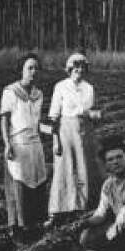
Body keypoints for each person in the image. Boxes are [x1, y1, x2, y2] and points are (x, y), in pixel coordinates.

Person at [48, 52, 101, 226]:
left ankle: (81, 205)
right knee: (65, 167)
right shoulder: (61, 87)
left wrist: (94, 116)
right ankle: (60, 209)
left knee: (83, 166)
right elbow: (54, 116)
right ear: (69, 69)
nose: (79, 70)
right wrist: (55, 140)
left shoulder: (89, 88)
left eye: (82, 67)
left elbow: (90, 111)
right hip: (65, 130)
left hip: (84, 131)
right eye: (75, 67)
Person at [1, 54, 48, 244]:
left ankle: (32, 225)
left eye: (36, 68)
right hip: (18, 142)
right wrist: (7, 144)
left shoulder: (39, 94)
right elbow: (4, 120)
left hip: (35, 144)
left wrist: (53, 130)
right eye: (29, 68)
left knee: (37, 182)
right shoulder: (11, 92)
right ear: (21, 70)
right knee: (18, 184)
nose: (33, 72)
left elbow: (37, 123)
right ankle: (17, 228)